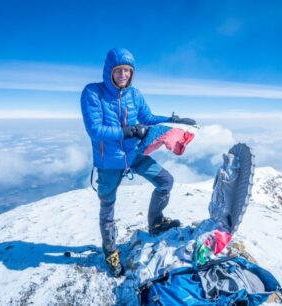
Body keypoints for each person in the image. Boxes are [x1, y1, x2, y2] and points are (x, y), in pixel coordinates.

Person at [81, 48, 197, 277]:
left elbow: (148, 119)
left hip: (134, 154)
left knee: (165, 181)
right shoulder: (93, 93)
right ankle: (111, 251)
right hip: (109, 162)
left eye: (128, 70)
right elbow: (95, 130)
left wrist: (173, 120)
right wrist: (129, 130)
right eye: (119, 70)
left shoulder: (135, 94)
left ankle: (155, 223)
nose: (124, 74)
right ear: (110, 71)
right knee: (108, 207)